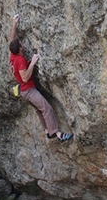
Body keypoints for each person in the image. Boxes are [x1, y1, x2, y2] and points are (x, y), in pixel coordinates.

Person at [9, 14, 73, 143]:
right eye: (21, 44)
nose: (22, 44)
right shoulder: (20, 60)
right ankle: (57, 133)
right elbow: (25, 77)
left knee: (39, 110)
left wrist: (14, 24)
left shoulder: (13, 55)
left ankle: (47, 131)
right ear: (20, 49)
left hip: (23, 91)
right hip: (28, 90)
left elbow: (12, 39)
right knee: (46, 108)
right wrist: (32, 63)